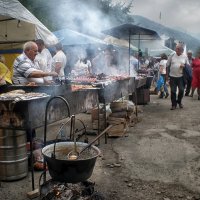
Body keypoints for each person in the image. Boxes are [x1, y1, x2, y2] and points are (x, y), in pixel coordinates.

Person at [166, 43, 189, 110]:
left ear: (182, 50)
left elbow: (188, 66)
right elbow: (167, 65)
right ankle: (173, 104)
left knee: (181, 90)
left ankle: (179, 101)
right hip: (172, 76)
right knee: (173, 91)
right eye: (176, 48)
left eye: (178, 48)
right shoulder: (172, 55)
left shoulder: (185, 56)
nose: (177, 50)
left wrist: (184, 66)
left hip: (181, 77)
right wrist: (167, 75)